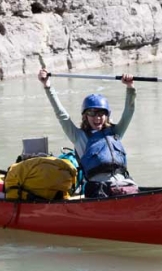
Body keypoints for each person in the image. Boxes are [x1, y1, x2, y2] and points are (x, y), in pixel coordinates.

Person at [37, 68, 138, 198]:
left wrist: (130, 87)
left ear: (107, 115)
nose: (97, 118)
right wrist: (47, 86)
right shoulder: (78, 137)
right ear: (85, 116)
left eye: (101, 113)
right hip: (99, 191)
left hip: (123, 186)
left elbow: (129, 111)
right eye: (92, 113)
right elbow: (61, 114)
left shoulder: (115, 132)